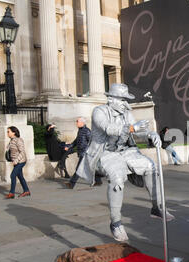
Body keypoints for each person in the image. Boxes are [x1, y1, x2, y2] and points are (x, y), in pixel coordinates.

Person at [76, 83, 174, 242]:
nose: (125, 103)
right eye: (122, 100)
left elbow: (138, 130)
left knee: (151, 167)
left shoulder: (126, 112)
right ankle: (115, 223)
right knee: (117, 178)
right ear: (111, 99)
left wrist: (151, 134)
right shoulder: (99, 112)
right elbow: (109, 128)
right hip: (105, 152)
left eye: (126, 100)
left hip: (126, 150)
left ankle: (157, 207)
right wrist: (132, 129)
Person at [64, 117, 102, 189]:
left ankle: (71, 184)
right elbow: (76, 141)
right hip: (82, 153)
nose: (76, 123)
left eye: (77, 121)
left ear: (82, 123)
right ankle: (98, 180)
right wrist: (69, 146)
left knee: (79, 169)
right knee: (92, 168)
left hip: (85, 153)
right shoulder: (80, 131)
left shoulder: (87, 131)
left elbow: (92, 142)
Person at [5, 126, 30, 199]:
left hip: (21, 161)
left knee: (12, 175)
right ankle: (26, 191)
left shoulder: (18, 140)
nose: (7, 133)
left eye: (8, 131)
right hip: (16, 161)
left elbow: (22, 152)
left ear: (14, 132)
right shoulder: (12, 140)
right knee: (20, 176)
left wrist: (16, 161)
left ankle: (11, 193)